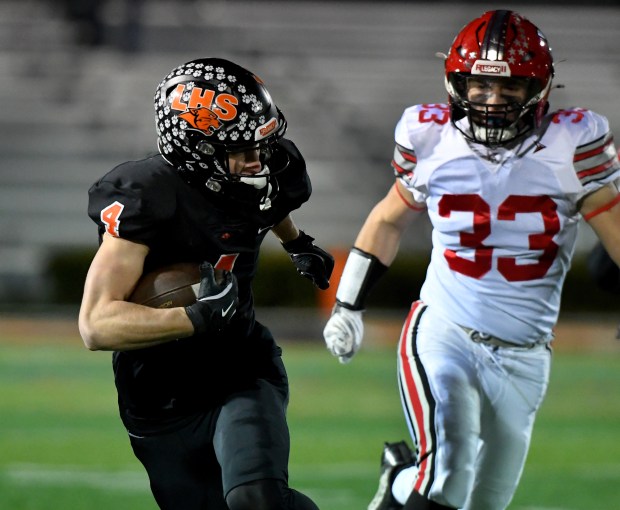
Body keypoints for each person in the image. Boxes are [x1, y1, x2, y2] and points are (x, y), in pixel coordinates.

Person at [323, 9, 620, 510]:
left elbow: (614, 230)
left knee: (482, 503)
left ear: (540, 89)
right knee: (448, 474)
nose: (492, 101)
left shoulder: (573, 145)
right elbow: (389, 218)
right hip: (445, 332)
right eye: (480, 85)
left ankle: (397, 481)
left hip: (526, 354)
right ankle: (409, 480)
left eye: (510, 89)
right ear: (458, 83)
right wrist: (348, 303)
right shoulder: (429, 136)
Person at [79, 57, 334, 510]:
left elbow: (266, 204)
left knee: (259, 501)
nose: (259, 162)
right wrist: (193, 318)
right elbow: (96, 324)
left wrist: (296, 242)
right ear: (194, 151)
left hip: (241, 369)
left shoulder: (264, 172)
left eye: (261, 145)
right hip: (158, 397)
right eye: (241, 151)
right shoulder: (148, 197)